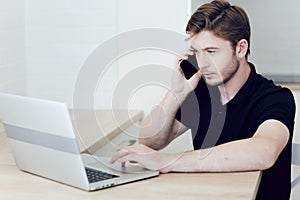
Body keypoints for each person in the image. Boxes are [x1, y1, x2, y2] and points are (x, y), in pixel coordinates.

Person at [110, 0, 296, 199]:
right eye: (198, 52)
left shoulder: (275, 97)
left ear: (241, 48)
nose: (203, 63)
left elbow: (263, 152)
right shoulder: (200, 92)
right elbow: (149, 142)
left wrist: (166, 161)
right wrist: (176, 94)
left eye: (211, 52)